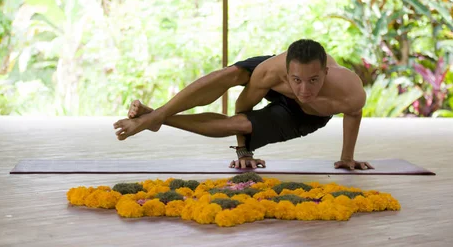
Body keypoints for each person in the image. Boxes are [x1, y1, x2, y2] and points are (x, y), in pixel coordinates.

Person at [113, 39, 373, 170]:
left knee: (238, 125)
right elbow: (243, 105)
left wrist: (347, 158)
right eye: (297, 80)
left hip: (303, 116)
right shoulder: (269, 72)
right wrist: (243, 151)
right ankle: (156, 117)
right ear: (285, 70)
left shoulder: (349, 90)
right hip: (271, 80)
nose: (304, 89)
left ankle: (155, 118)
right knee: (229, 74)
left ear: (326, 72)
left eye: (313, 80)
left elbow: (353, 114)